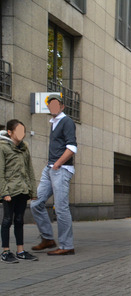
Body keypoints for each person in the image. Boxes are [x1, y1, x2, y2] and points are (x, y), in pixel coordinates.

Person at [30, 93, 78, 255]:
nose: (53, 108)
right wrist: (51, 165)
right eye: (51, 105)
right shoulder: (54, 123)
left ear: (62, 107)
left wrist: (58, 164)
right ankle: (48, 239)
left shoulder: (67, 122)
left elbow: (72, 148)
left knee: (61, 208)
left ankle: (67, 246)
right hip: (50, 168)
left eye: (56, 105)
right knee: (36, 203)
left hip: (61, 169)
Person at [1, 120, 39, 263]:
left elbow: (30, 170)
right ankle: (5, 251)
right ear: (10, 132)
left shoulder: (25, 148)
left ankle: (20, 251)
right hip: (10, 191)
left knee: (19, 220)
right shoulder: (3, 147)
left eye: (23, 131)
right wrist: (4, 192)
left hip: (23, 190)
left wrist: (33, 191)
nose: (22, 134)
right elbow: (0, 172)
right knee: (6, 220)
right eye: (18, 131)